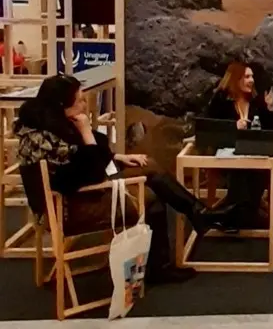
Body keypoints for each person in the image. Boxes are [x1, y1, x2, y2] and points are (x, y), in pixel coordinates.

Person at [15, 75, 232, 285]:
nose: (84, 105)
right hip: (70, 209)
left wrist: (116, 157)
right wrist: (85, 131)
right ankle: (171, 253)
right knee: (150, 195)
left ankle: (196, 215)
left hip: (77, 195)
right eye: (80, 100)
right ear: (62, 104)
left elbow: (86, 160)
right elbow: (88, 173)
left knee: (148, 168)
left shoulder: (51, 125)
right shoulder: (46, 140)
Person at [205, 62, 273, 228]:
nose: (251, 80)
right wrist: (233, 127)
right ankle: (241, 214)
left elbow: (271, 130)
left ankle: (237, 215)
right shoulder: (220, 100)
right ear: (235, 80)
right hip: (226, 154)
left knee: (256, 171)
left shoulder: (257, 101)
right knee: (241, 171)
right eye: (247, 77)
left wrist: (269, 109)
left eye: (252, 76)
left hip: (252, 152)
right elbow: (210, 129)